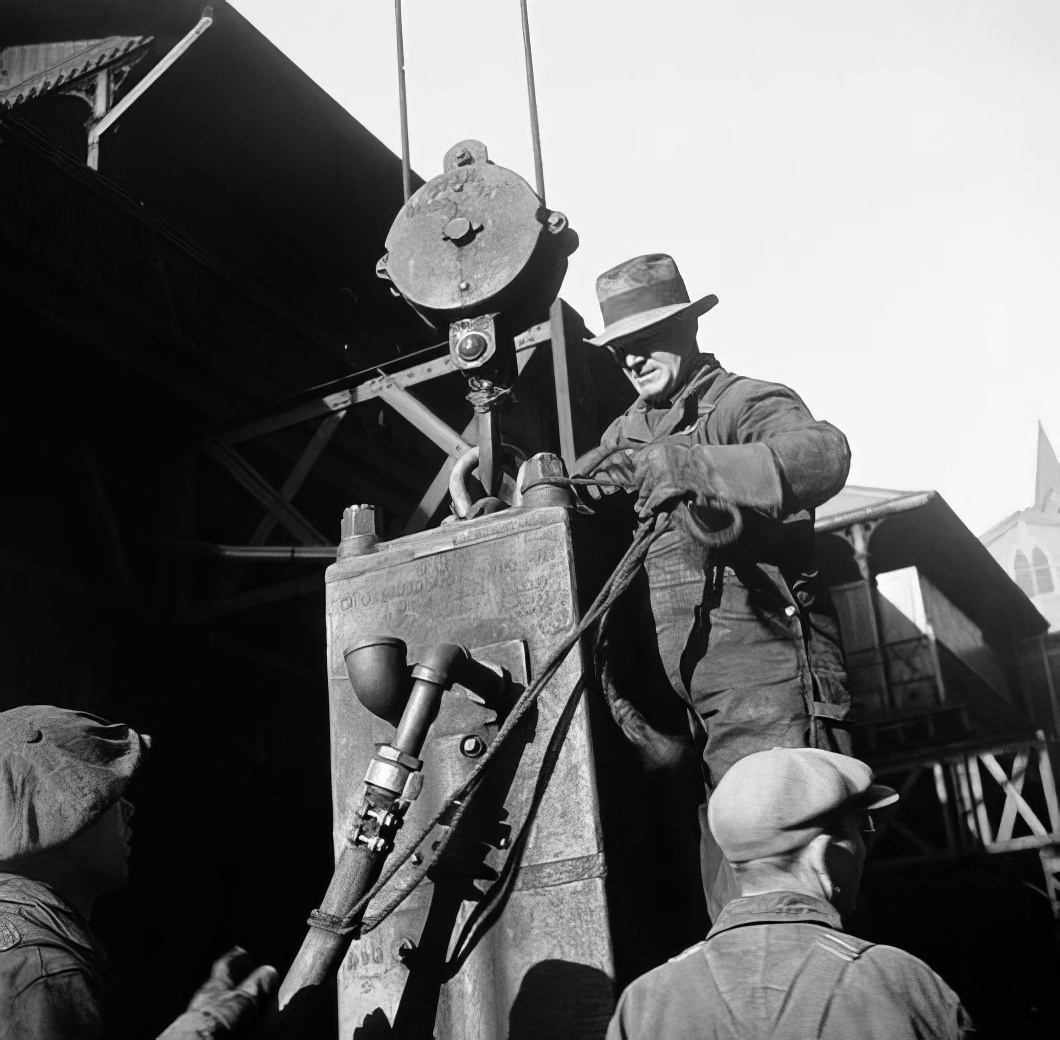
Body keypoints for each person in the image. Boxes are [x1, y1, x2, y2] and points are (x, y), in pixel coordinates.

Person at [576, 253, 853, 915]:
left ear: (688, 330)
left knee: (781, 861)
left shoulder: (743, 402)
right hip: (674, 703)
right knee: (718, 886)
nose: (632, 361)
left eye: (645, 343)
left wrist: (698, 465)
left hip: (764, 676)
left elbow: (823, 455)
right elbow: (581, 489)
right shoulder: (625, 435)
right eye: (620, 351)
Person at [607, 747, 974, 1039]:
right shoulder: (899, 983)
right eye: (859, 829)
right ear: (823, 855)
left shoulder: (645, 1004)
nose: (864, 847)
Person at [0, 704, 276, 1039]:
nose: (128, 810)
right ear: (60, 819)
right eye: (107, 795)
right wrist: (200, 1030)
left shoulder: (25, 948)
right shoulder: (45, 972)